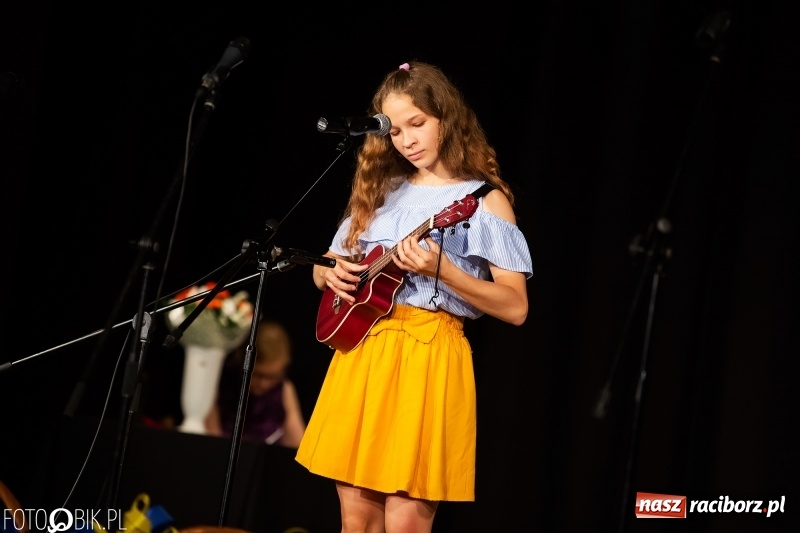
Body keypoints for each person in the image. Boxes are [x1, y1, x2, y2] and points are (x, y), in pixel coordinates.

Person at [295, 61, 533, 532]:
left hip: (428, 355)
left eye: (417, 123)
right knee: (356, 521)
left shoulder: (483, 200)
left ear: (446, 116)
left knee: (404, 522)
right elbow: (328, 263)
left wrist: (445, 271)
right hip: (364, 351)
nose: (406, 140)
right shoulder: (382, 190)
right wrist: (330, 272)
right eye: (395, 130)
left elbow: (516, 307)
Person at [206, 319, 306, 447]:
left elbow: (297, 442)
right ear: (244, 363)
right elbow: (212, 437)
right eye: (258, 375)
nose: (264, 384)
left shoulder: (284, 389)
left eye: (273, 377)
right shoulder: (222, 383)